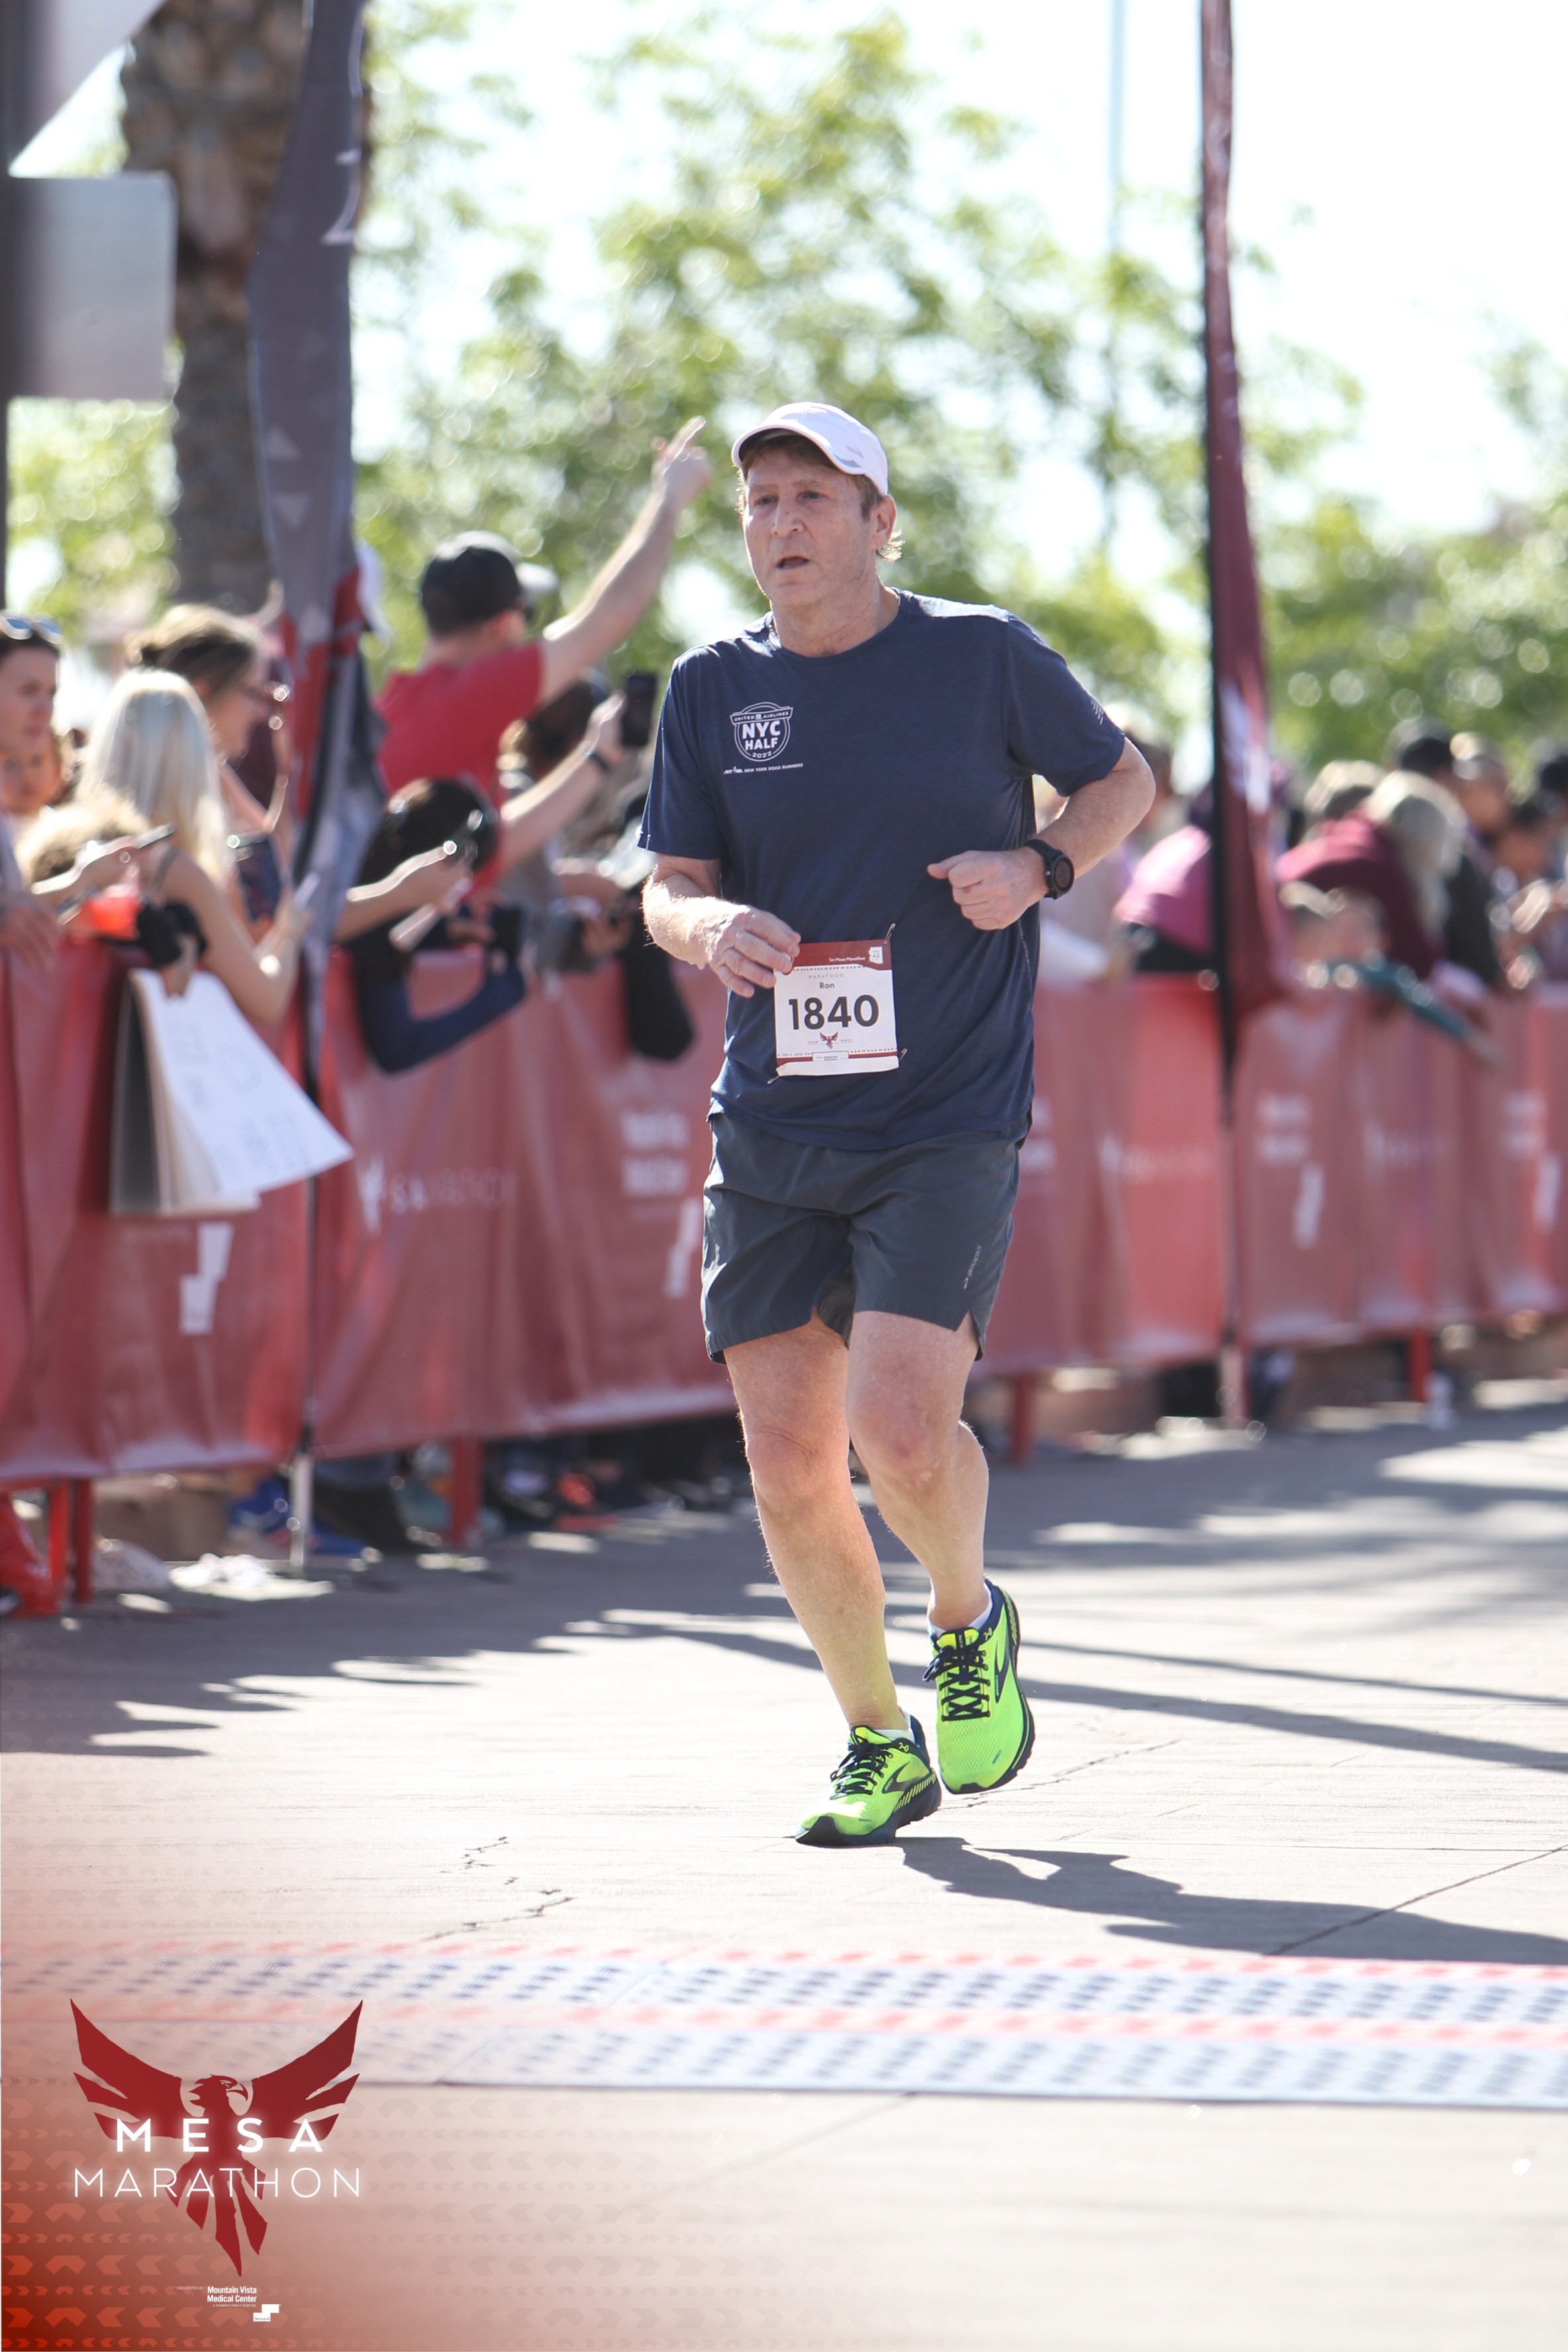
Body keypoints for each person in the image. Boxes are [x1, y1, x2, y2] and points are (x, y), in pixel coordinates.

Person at [640, 401, 1153, 1846]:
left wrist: (1039, 863)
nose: (780, 525)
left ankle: (965, 1615)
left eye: (812, 498)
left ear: (879, 522)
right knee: (786, 1462)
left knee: (900, 1433)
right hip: (772, 1119)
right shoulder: (707, 687)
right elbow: (665, 883)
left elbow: (1121, 778)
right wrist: (704, 927)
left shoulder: (978, 653)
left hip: (942, 1109)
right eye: (760, 502)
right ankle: (876, 1739)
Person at [377, 421, 712, 800]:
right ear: (503, 624)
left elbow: (504, 834)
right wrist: (670, 500)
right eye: (527, 614)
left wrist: (596, 759)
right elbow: (606, 619)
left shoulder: (392, 706)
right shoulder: (464, 701)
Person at [61, 670, 309, 1023]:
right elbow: (267, 998)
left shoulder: (81, 848)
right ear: (192, 758)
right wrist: (290, 930)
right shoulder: (172, 868)